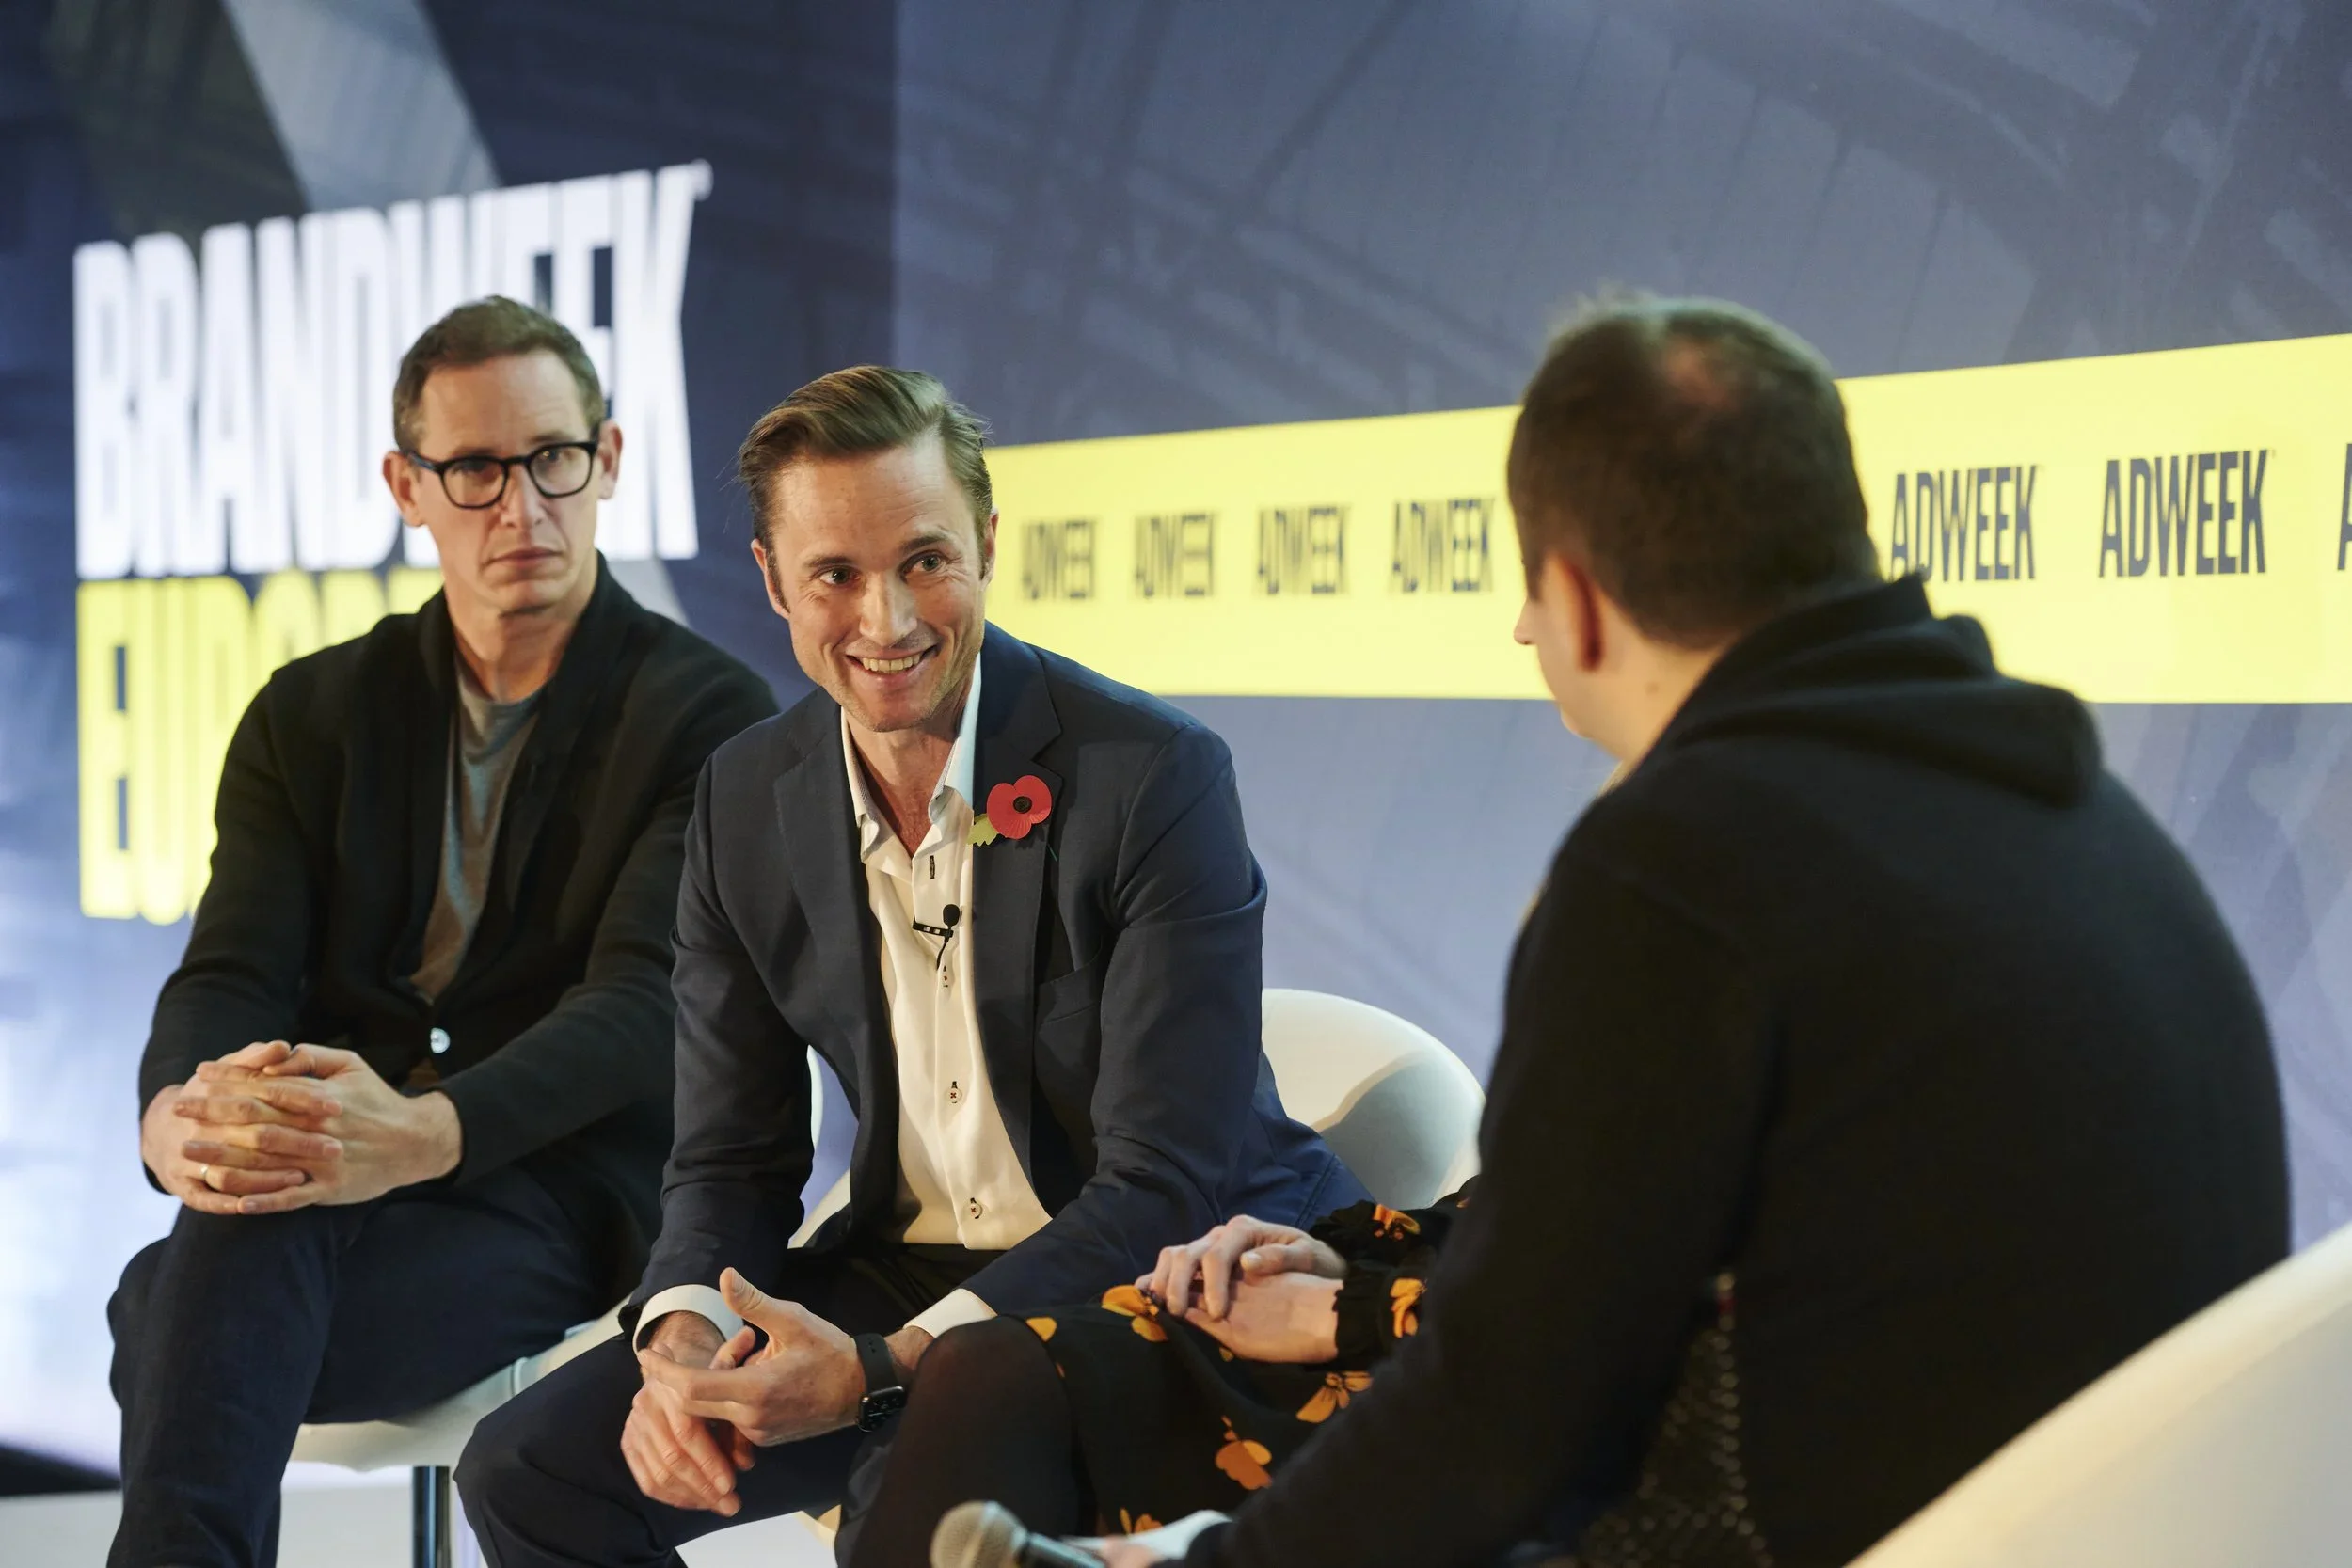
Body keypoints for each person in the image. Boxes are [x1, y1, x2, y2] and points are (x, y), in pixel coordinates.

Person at [859, 299, 2293, 1568]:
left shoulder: (1683, 861)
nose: (1526, 637)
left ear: (1588, 602)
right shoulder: (2079, 811)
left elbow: (1509, 1416)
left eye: (1530, 591)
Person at [453, 366, 1362, 1565]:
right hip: (901, 1269)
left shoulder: (1152, 776)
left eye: (925, 560)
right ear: (774, 581)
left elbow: (1164, 1181)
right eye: (835, 574)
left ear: (987, 544)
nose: (887, 620)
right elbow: (731, 1153)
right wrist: (679, 1339)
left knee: (901, 1507)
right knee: (529, 1469)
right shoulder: (742, 796)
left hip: (1150, 1281)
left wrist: (880, 1370)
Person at [105, 296, 776, 1568]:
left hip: (559, 1191)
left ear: (611, 460)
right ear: (408, 486)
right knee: (256, 1200)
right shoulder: (309, 713)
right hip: (331, 1188)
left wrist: (414, 1133)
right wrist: (178, 1120)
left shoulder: (707, 716)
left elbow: (644, 1010)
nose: (521, 507)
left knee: (162, 1311)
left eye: (553, 460)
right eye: (474, 470)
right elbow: (233, 968)